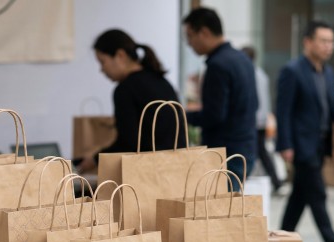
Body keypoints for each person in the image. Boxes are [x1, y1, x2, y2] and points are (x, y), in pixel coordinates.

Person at [276, 20, 334, 242]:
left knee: (299, 197)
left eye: (331, 42)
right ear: (308, 42)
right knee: (317, 193)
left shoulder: (328, 73)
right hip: (302, 146)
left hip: (320, 144)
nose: (328, 46)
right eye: (323, 41)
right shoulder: (292, 71)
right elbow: (283, 111)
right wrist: (285, 144)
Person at [76, 29, 183, 173]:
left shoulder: (125, 89)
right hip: (177, 170)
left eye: (103, 62)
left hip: (149, 173)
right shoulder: (161, 81)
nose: (102, 70)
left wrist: (94, 160)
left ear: (120, 55)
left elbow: (128, 144)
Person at [182, 7, 258, 190]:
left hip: (224, 153)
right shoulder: (243, 59)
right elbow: (255, 103)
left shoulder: (218, 65)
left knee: (219, 204)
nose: (189, 44)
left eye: (190, 36)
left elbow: (214, 115)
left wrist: (183, 115)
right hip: (245, 148)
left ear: (204, 32)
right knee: (229, 203)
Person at [241, 45, 283, 193]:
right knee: (261, 152)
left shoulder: (248, 74)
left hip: (253, 120)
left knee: (254, 152)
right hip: (262, 120)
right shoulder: (261, 74)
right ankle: (276, 182)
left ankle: (272, 182)